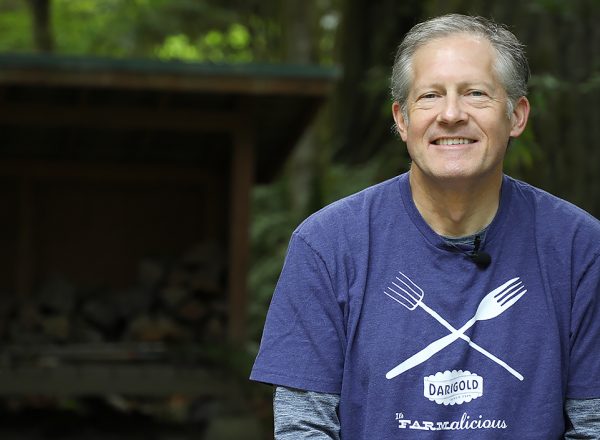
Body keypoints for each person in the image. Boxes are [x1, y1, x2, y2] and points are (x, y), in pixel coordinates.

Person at [250, 14, 600, 439]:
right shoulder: (327, 244)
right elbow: (303, 427)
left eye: (475, 93)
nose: (451, 114)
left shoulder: (580, 248)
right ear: (402, 120)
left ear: (516, 116)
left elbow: (592, 425)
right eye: (431, 96)